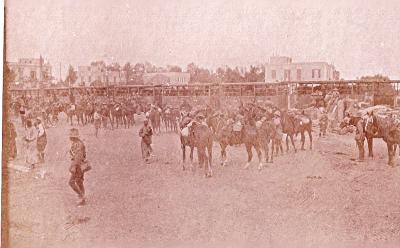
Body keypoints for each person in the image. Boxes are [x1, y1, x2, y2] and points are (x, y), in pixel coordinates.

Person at [68, 128, 87, 205]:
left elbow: (78, 157)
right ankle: (82, 199)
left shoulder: (78, 144)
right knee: (79, 182)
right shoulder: (77, 143)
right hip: (79, 165)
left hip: (77, 166)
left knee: (71, 182)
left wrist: (74, 166)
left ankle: (82, 196)